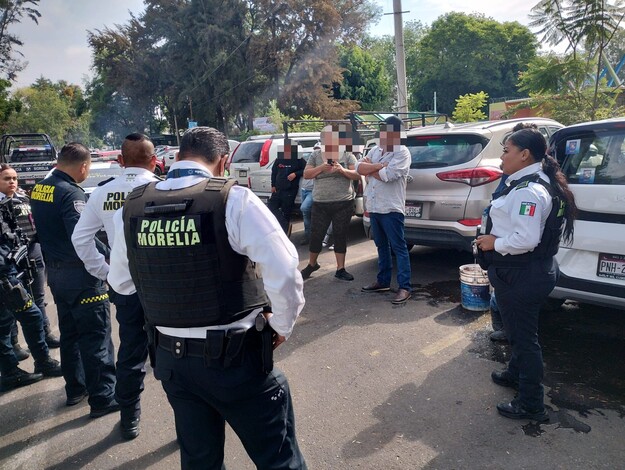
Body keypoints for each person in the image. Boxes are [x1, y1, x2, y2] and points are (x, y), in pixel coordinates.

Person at [108, 126, 307, 469]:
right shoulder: (233, 199)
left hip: (173, 363)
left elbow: (121, 282)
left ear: (178, 157)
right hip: (235, 361)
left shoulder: (135, 205)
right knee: (278, 460)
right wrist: (283, 325)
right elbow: (286, 267)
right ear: (223, 161)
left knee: (200, 462)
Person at [475, 128, 576, 422]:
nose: (502, 156)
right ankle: (515, 374)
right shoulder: (532, 181)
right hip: (528, 272)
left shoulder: (528, 191)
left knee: (523, 340)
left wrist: (495, 242)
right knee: (518, 331)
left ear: (524, 155)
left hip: (521, 275)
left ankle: (531, 403)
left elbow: (526, 239)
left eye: (506, 150)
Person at [71, 134, 159, 439]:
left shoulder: (102, 193)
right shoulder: (162, 187)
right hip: (164, 287)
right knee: (180, 352)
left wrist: (106, 272)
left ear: (120, 161)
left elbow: (80, 240)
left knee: (131, 354)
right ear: (154, 159)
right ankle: (191, 422)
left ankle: (129, 416)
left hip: (125, 287)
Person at [30, 143, 118, 416]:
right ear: (82, 166)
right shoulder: (71, 193)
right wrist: (110, 257)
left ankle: (76, 388)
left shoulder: (40, 188)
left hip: (55, 273)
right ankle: (103, 397)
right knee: (96, 336)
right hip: (80, 275)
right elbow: (81, 236)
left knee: (71, 334)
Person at [0, 191, 62, 392]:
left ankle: (11, 371)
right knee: (32, 316)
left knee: (5, 323)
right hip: (4, 276)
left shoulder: (11, 202)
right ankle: (36, 364)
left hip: (9, 272)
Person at [356, 116, 412, 304]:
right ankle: (383, 281)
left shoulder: (402, 153)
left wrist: (369, 169)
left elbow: (388, 176)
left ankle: (405, 287)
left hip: (391, 207)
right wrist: (378, 166)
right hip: (374, 206)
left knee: (398, 247)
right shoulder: (376, 150)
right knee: (381, 246)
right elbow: (358, 168)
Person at [300, 124, 360, 281]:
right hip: (320, 203)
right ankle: (312, 264)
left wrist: (342, 170)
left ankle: (341, 269)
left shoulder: (347, 155)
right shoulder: (315, 156)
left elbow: (357, 175)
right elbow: (306, 174)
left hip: (343, 203)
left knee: (340, 235)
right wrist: (321, 168)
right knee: (316, 235)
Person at [267, 140, 306, 234]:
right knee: (271, 207)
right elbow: (274, 172)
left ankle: (285, 232)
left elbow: (306, 170)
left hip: (290, 190)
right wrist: (273, 185)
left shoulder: (299, 159)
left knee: (286, 211)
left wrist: (295, 174)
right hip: (278, 188)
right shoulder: (279, 158)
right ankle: (284, 225)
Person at [299, 143, 318, 245]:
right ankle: (308, 237)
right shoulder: (308, 161)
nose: (315, 152)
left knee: (305, 208)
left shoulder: (323, 164)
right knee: (306, 215)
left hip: (313, 190)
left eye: (318, 150)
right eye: (314, 149)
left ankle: (315, 237)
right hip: (304, 189)